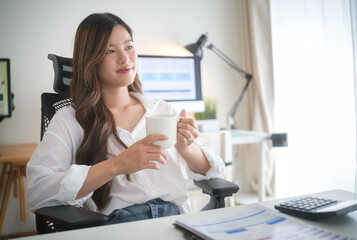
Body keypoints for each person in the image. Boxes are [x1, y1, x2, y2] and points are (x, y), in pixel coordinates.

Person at [26, 12, 225, 224]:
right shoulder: (70, 119)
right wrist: (117, 165)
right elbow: (38, 190)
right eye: (110, 50)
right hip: (120, 225)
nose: (125, 58)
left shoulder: (162, 109)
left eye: (129, 47)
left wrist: (186, 148)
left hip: (176, 221)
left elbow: (214, 171)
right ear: (90, 60)